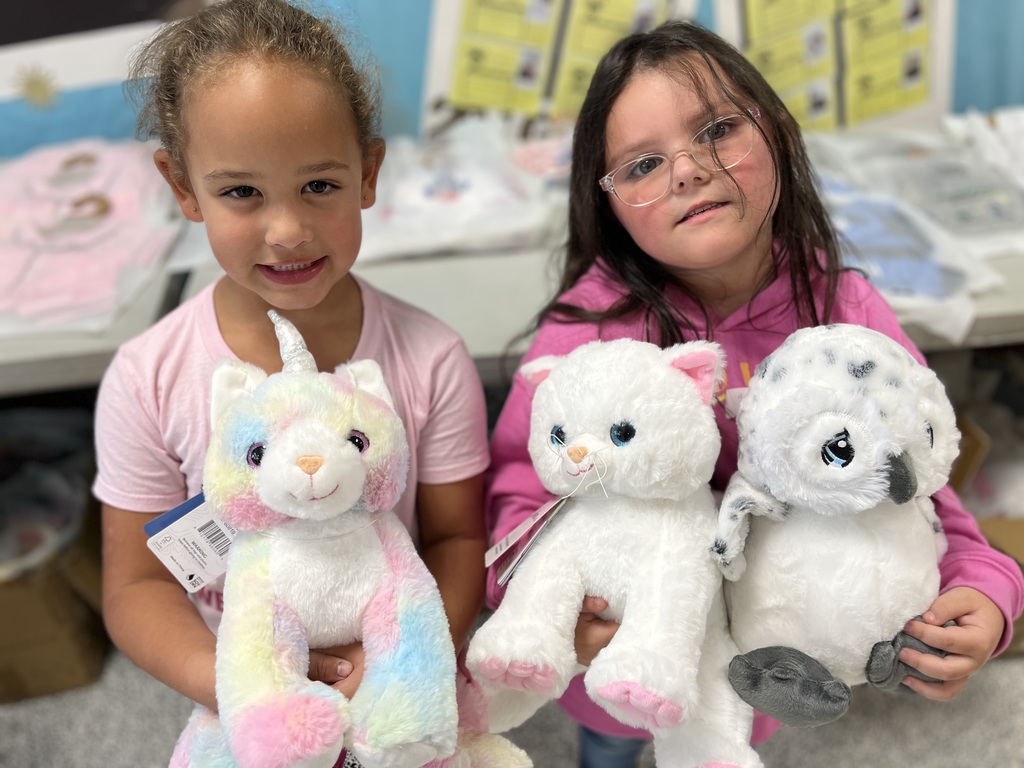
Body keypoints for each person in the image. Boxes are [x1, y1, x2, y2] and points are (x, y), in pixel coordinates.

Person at [484, 19, 1024, 768]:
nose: (686, 170)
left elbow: (914, 475)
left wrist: (987, 584)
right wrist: (549, 606)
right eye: (642, 164)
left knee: (721, 743)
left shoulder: (846, 310)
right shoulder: (591, 328)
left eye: (716, 130)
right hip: (616, 652)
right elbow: (519, 482)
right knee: (609, 742)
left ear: (775, 133)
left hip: (756, 648)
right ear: (605, 202)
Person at [94, 1, 489, 764]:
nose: (287, 230)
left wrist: (397, 670)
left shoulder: (431, 358)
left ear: (368, 173)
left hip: (398, 696)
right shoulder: (147, 379)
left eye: (319, 185)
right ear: (183, 188)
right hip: (249, 710)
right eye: (241, 193)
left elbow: (456, 535)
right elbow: (136, 587)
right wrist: (253, 691)